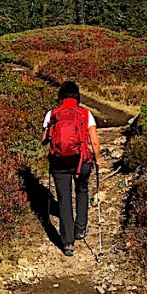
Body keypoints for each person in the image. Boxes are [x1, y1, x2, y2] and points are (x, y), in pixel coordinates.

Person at [42, 80, 101, 256]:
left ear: (61, 96)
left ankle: (68, 243)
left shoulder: (52, 114)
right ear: (77, 96)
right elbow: (95, 142)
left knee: (64, 199)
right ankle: (80, 229)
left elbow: (44, 140)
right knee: (82, 191)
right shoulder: (85, 114)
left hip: (59, 161)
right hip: (82, 161)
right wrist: (97, 160)